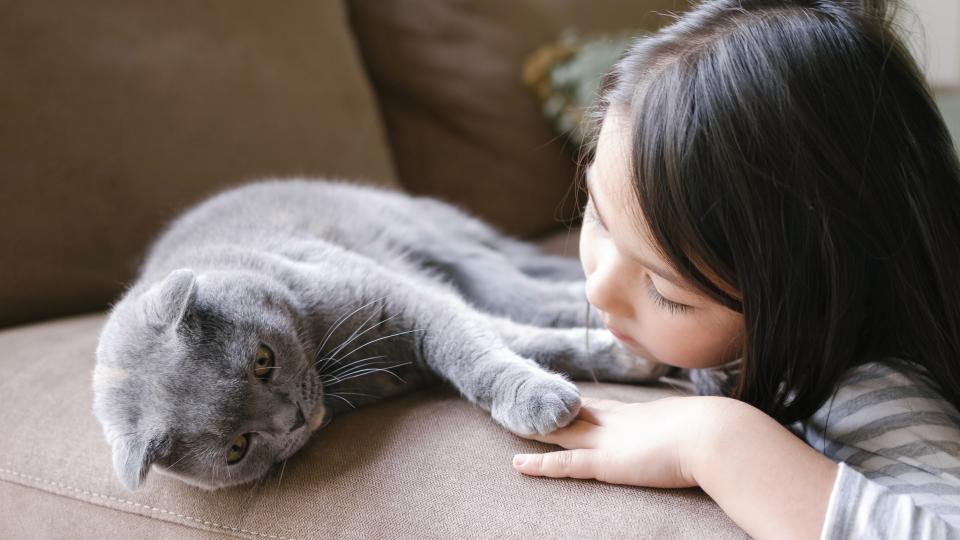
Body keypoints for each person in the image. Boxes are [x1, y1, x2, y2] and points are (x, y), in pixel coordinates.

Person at [509, 1, 960, 538]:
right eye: (600, 220)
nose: (597, 288)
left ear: (809, 303)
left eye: (665, 290)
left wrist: (717, 439)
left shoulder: (870, 392)